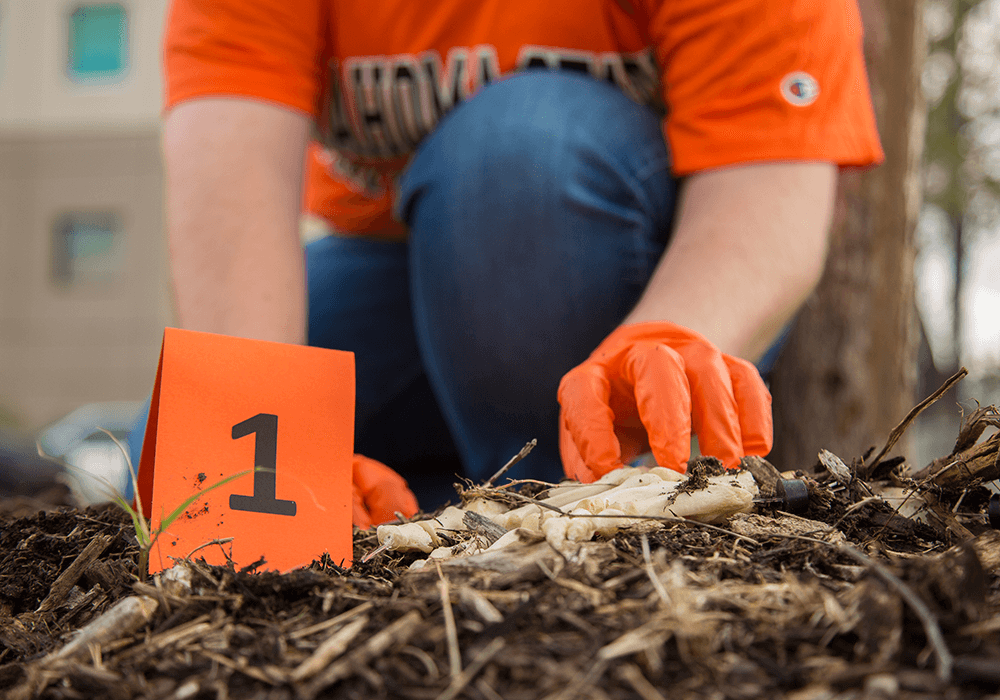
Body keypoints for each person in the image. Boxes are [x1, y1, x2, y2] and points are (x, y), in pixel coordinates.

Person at [152, 0, 883, 527]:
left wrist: (674, 332)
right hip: (399, 276)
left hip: (640, 270)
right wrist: (265, 449)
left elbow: (768, 190)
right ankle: (442, 510)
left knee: (515, 163)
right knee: (195, 434)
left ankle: (567, 514)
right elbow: (229, 181)